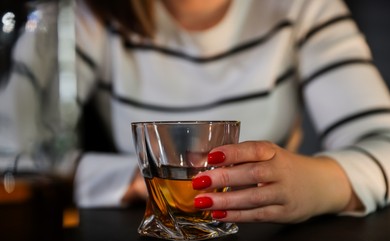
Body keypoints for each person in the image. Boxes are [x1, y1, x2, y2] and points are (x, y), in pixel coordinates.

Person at [1, 0, 390, 223]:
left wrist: (318, 183)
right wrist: (135, 179)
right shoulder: (85, 15)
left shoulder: (305, 8)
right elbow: (7, 154)